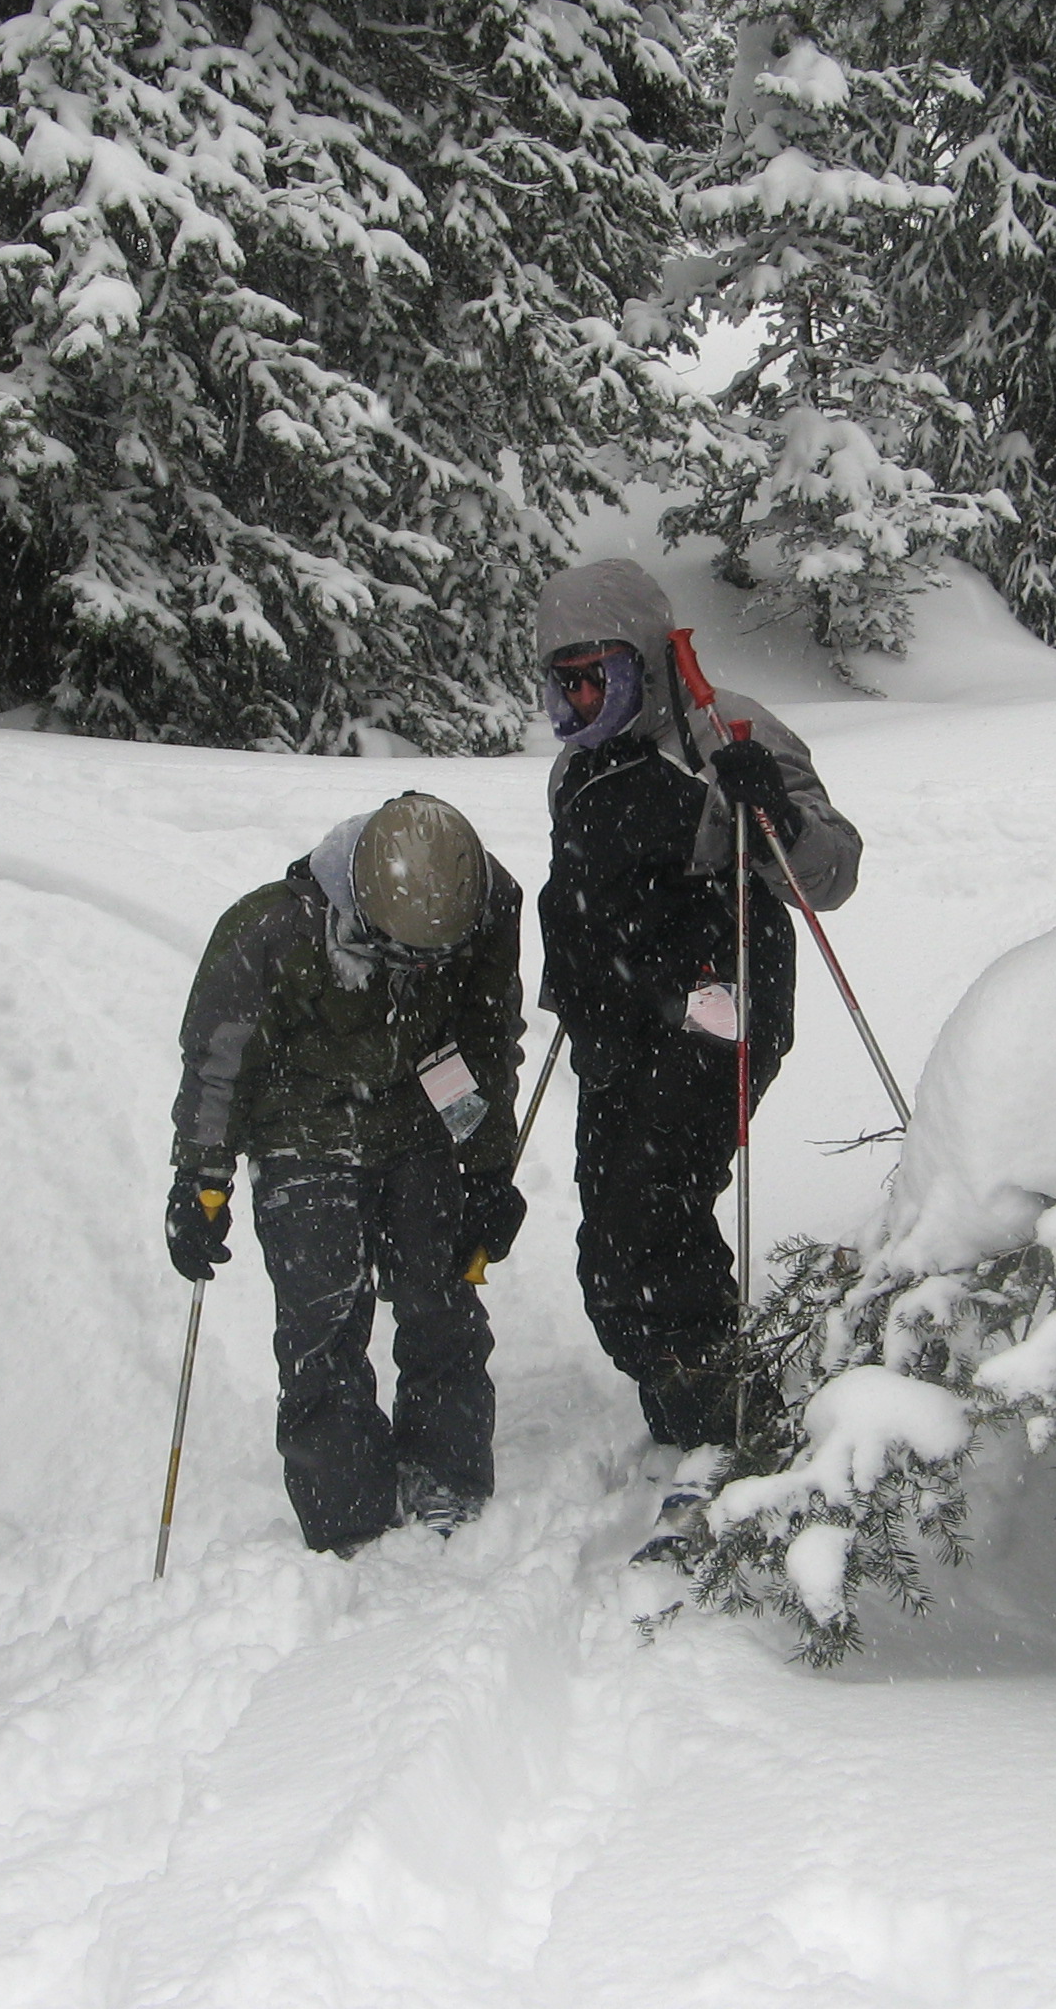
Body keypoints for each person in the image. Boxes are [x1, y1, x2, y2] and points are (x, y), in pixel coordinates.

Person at [533, 560, 863, 1457]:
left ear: (643, 658)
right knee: (610, 1242)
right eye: (564, 685)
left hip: (727, 1001)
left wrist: (772, 815)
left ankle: (731, 1431)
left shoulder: (728, 730)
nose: (581, 700)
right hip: (625, 1018)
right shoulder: (575, 769)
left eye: (597, 675)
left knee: (656, 1217)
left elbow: (832, 873)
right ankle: (689, 1409)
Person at [165, 792, 527, 1554]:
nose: (424, 972)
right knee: (322, 1323)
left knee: (445, 1295)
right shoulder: (270, 930)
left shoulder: (485, 905)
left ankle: (446, 1470)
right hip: (302, 1132)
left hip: (418, 1118)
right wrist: (202, 1179)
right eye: (406, 958)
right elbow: (217, 1065)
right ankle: (347, 1509)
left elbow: (482, 1040)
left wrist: (489, 1169)